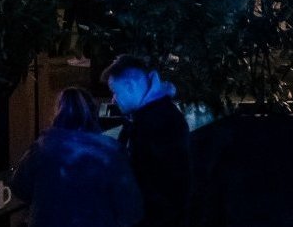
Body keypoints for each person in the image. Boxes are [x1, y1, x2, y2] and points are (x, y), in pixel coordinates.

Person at [10, 86, 142, 226]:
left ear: (58, 113)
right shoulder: (111, 151)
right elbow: (131, 208)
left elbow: (19, 186)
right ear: (93, 113)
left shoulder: (42, 147)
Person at [102, 55, 188, 227]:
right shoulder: (157, 116)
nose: (113, 99)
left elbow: (155, 185)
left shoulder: (153, 124)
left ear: (130, 86)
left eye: (115, 91)